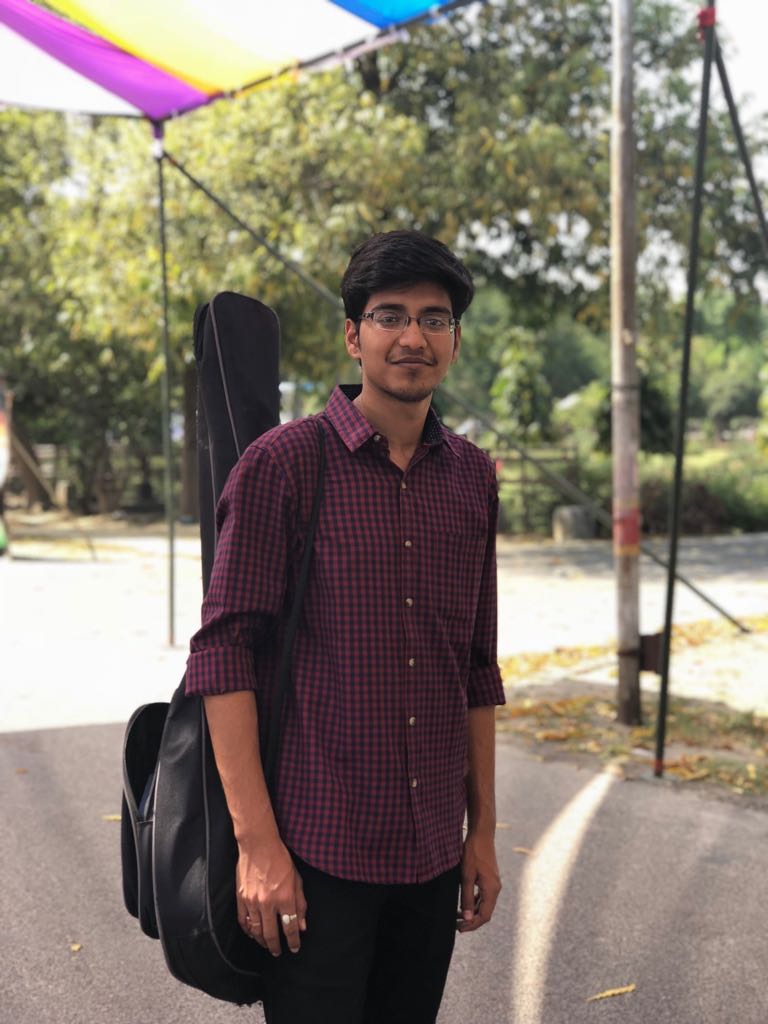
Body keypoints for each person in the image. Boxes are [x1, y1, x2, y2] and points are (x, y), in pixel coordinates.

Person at [186, 229, 505, 1024]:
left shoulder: (472, 478)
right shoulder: (284, 466)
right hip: (315, 853)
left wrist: (483, 833)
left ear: (455, 341)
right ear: (354, 337)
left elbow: (475, 667)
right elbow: (223, 659)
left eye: (434, 319)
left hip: (432, 856)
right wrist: (258, 846)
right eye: (390, 315)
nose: (412, 336)